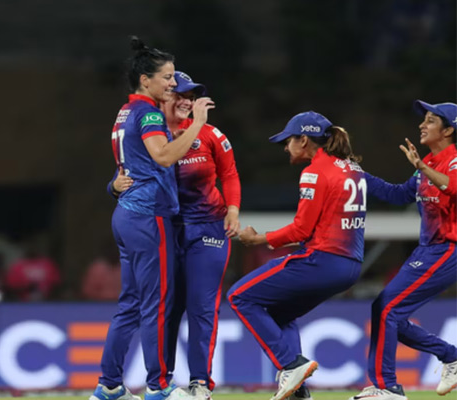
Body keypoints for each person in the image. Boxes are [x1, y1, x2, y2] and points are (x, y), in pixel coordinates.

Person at [90, 37, 214, 400]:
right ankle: (159, 386)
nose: (173, 83)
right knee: (157, 303)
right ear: (145, 80)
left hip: (127, 214)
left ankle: (109, 385)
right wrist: (197, 123)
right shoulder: (149, 113)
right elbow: (163, 156)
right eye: (167, 77)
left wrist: (113, 186)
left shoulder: (125, 112)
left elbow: (130, 163)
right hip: (148, 216)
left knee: (130, 304)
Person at [110, 71, 240, 400]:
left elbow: (229, 173)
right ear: (163, 97)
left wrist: (233, 210)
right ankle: (161, 382)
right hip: (165, 228)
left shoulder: (210, 134)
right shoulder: (149, 132)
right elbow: (125, 172)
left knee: (201, 307)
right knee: (164, 307)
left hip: (208, 229)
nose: (186, 101)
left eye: (191, 96)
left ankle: (200, 382)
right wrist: (113, 186)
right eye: (179, 94)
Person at [227, 111, 366, 400]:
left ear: (304, 140)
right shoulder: (351, 168)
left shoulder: (314, 172)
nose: (285, 148)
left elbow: (302, 229)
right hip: (351, 265)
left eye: (287, 141)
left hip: (322, 260)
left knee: (239, 296)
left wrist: (258, 239)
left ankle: (290, 365)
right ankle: (298, 391)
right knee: (280, 313)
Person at [350, 101, 457, 400]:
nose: (422, 125)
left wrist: (422, 167)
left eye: (431, 120)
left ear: (448, 130)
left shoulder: (451, 161)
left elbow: (453, 187)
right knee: (384, 310)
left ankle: (386, 387)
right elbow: (397, 195)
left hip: (448, 250)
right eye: (424, 120)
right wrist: (355, 173)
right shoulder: (428, 164)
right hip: (427, 250)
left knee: (388, 310)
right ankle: (450, 356)